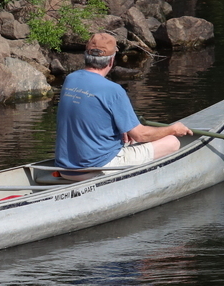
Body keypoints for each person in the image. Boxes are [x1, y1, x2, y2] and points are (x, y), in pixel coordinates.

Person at [55, 32, 193, 177]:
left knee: (128, 138)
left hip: (65, 169)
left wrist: (122, 128)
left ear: (86, 55)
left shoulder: (71, 79)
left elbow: (88, 113)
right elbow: (141, 135)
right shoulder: (113, 90)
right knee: (171, 142)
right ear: (111, 60)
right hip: (99, 168)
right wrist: (172, 129)